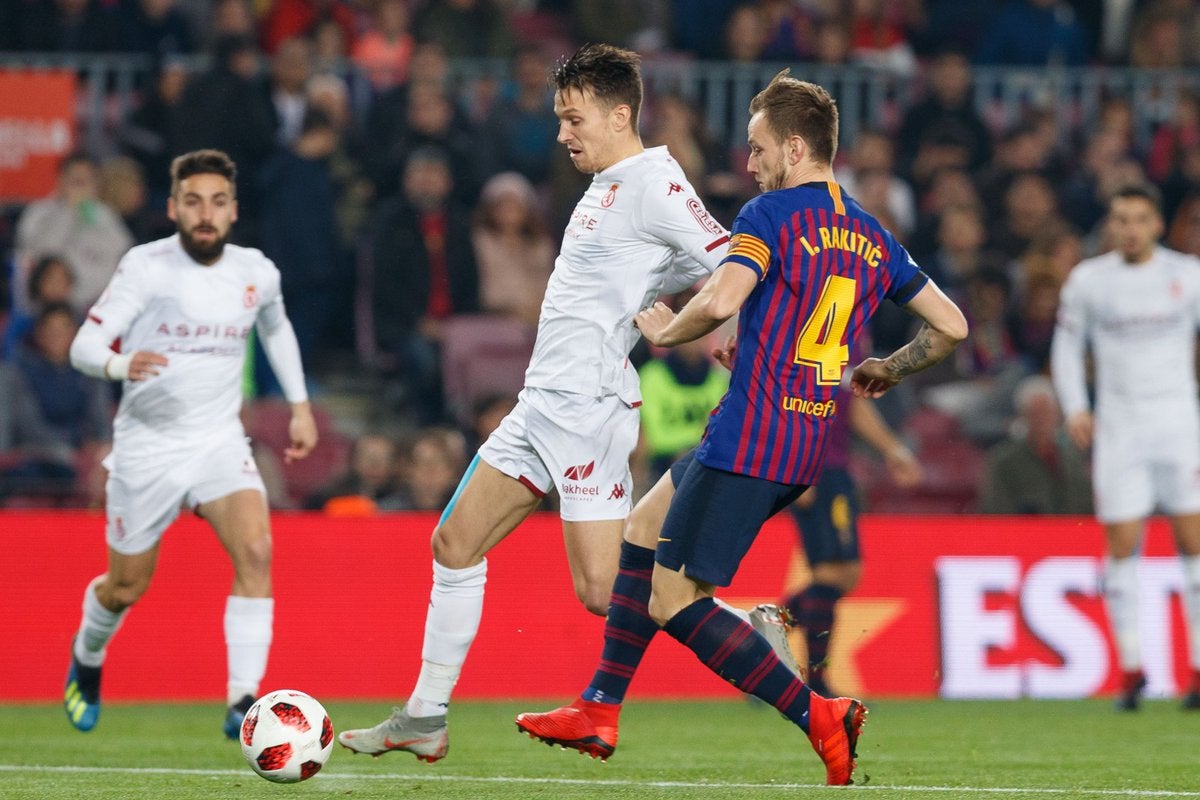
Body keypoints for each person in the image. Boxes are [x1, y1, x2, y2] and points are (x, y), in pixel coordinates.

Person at [515, 69, 967, 785]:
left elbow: (723, 295)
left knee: (672, 601)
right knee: (639, 529)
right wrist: (889, 366)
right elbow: (950, 325)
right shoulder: (873, 235)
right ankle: (600, 704)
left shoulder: (768, 215)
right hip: (798, 443)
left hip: (749, 441)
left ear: (793, 148)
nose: (747, 162)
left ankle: (818, 714)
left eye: (757, 147)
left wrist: (668, 332)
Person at [336, 43, 732, 763]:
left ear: (620, 114)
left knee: (600, 590)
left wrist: (718, 333)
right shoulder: (609, 181)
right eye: (558, 118)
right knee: (452, 545)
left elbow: (734, 259)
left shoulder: (656, 184)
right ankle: (425, 716)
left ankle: (741, 623)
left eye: (573, 118)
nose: (562, 133)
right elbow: (666, 273)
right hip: (539, 404)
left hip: (587, 408)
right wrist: (672, 305)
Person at [62, 149, 318, 737]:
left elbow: (276, 326)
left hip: (218, 442)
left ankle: (242, 702)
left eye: (218, 202)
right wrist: (121, 365)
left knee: (256, 552)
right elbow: (83, 347)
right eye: (194, 201)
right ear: (174, 207)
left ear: (233, 210)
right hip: (147, 448)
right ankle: (88, 654)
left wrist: (300, 405)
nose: (206, 214)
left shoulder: (256, 271)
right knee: (126, 586)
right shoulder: (145, 268)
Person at [1050, 183, 1200, 711]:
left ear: (1157, 224)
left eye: (1139, 218)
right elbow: (1066, 348)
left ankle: (1198, 672)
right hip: (1119, 430)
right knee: (1121, 546)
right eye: (1120, 219)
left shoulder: (1188, 275)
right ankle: (1132, 669)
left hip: (1180, 425)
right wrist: (1076, 408)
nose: (1130, 228)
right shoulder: (1091, 282)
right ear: (1110, 226)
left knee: (1194, 544)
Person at [781, 339, 923, 697]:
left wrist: (892, 450)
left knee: (844, 573)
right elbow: (787, 405)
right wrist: (799, 466)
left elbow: (851, 403)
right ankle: (815, 679)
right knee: (833, 573)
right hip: (814, 469)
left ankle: (770, 630)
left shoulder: (844, 334)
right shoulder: (801, 333)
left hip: (835, 471)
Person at [978, 374, 1091, 515]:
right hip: (1025, 534)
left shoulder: (1072, 457)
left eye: (1046, 412)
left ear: (1056, 414)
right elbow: (997, 509)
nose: (1042, 420)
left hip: (1072, 533)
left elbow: (1086, 504)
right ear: (1023, 416)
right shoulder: (1003, 461)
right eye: (1035, 414)